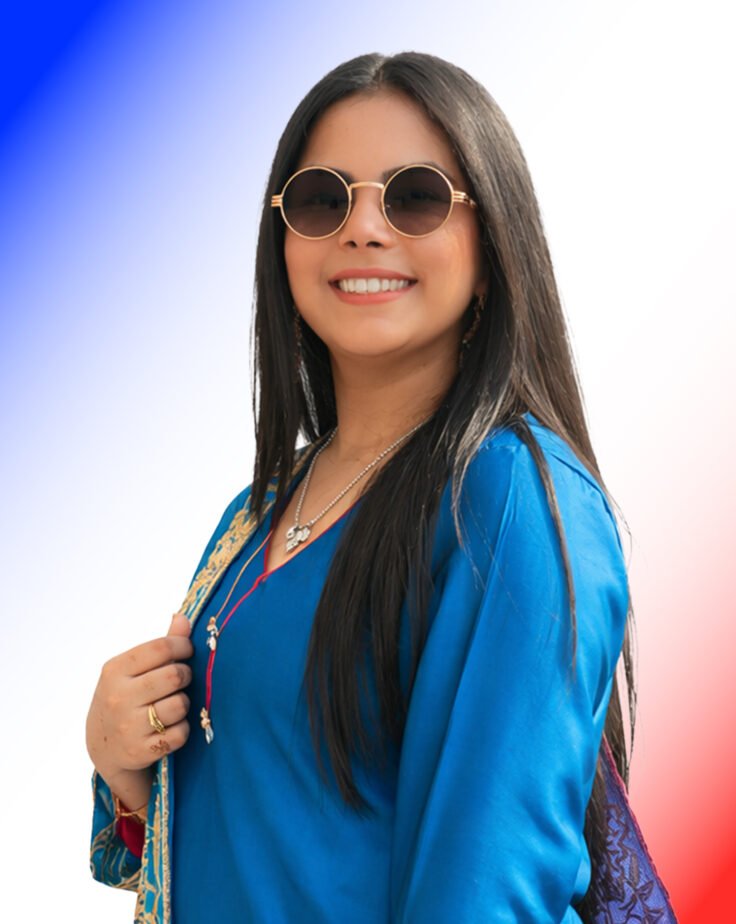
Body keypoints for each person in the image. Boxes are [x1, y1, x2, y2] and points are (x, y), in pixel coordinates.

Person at [86, 52, 676, 923]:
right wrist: (124, 764)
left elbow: (486, 892)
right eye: (323, 200)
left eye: (416, 197)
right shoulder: (260, 510)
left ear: (491, 246)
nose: (362, 228)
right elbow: (260, 827)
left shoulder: (509, 502)